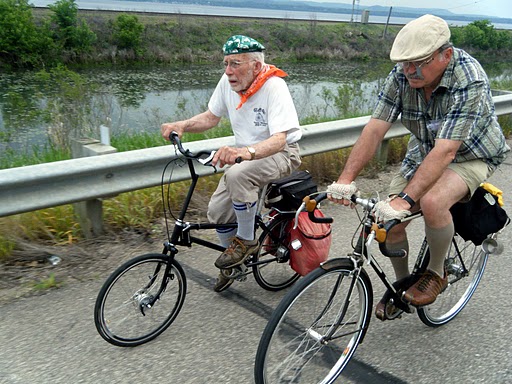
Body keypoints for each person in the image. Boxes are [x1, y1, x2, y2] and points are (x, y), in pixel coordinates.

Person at [326, 14, 509, 319]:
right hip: (424, 151)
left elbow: (447, 150)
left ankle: (435, 274)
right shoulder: (402, 75)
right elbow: (374, 129)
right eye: (404, 63)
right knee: (389, 220)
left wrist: (406, 199)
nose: (409, 70)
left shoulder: (468, 77)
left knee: (432, 201)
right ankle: (402, 284)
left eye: (418, 62)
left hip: (472, 153)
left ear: (445, 55)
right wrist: (345, 179)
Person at [161, 35, 302, 292]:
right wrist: (183, 125)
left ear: (256, 66)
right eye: (226, 63)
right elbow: (211, 117)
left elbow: (280, 140)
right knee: (217, 213)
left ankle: (246, 242)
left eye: (235, 63)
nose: (228, 71)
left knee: (238, 175)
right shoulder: (229, 83)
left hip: (282, 153)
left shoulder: (274, 87)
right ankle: (235, 263)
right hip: (246, 157)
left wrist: (245, 152)